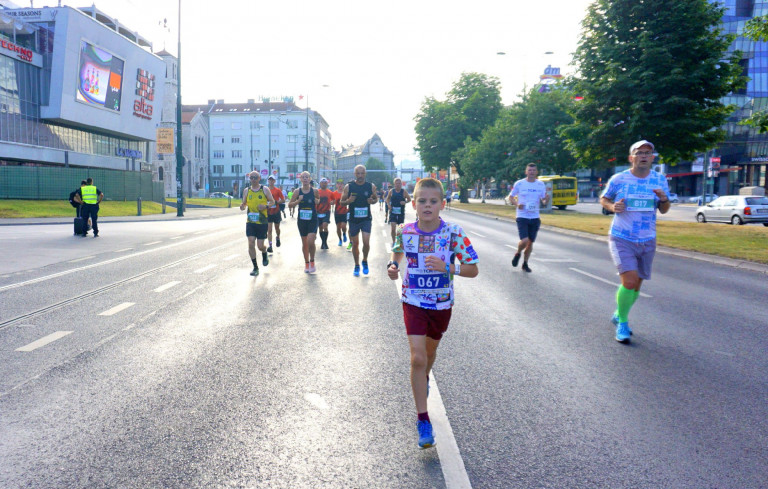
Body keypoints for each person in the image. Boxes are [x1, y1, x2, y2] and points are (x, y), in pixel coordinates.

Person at [387, 177, 479, 449]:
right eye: (422, 201)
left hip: (441, 304)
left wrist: (448, 267)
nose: (427, 206)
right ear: (413, 204)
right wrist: (392, 266)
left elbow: (473, 269)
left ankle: (425, 376)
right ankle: (423, 419)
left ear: (442, 204)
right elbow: (397, 253)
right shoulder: (405, 230)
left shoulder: (453, 233)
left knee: (428, 353)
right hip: (413, 299)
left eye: (433, 201)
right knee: (417, 358)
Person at [600, 140, 671, 343]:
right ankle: (623, 322)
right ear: (631, 158)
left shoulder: (659, 180)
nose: (644, 156)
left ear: (653, 157)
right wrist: (613, 207)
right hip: (622, 237)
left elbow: (664, 209)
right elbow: (604, 199)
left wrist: (664, 199)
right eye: (639, 152)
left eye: (648, 153)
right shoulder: (619, 179)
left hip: (647, 239)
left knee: (637, 286)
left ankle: (618, 312)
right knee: (629, 281)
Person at [509, 163, 549, 273]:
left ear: (536, 172)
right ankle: (518, 253)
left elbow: (544, 201)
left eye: (533, 170)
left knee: (530, 242)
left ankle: (525, 263)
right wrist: (517, 204)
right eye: (529, 170)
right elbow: (511, 197)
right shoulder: (520, 183)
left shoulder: (540, 184)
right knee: (525, 240)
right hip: (522, 215)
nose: (531, 172)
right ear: (526, 172)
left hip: (535, 216)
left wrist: (546, 199)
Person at [340, 165, 378, 276]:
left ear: (365, 174)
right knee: (355, 244)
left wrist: (372, 201)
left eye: (362, 173)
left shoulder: (371, 186)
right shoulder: (349, 187)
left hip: (366, 219)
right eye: (358, 173)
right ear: (354, 174)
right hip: (354, 220)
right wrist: (349, 201)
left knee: (366, 243)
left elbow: (376, 199)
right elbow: (342, 202)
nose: (360, 175)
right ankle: (356, 265)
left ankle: (365, 260)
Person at [240, 171, 275, 277]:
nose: (253, 179)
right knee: (251, 242)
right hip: (250, 222)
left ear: (259, 178)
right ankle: (255, 267)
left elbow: (272, 201)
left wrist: (265, 206)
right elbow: (244, 203)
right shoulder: (246, 190)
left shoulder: (264, 189)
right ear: (249, 179)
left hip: (262, 221)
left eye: (255, 177)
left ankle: (264, 253)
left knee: (260, 246)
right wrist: (243, 206)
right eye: (251, 178)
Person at [288, 171, 319, 273]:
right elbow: (290, 205)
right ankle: (306, 264)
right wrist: (297, 201)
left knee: (311, 240)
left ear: (310, 179)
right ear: (300, 179)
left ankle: (312, 261)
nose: (305, 179)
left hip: (312, 219)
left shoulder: (314, 191)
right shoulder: (297, 191)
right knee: (305, 243)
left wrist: (316, 200)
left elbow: (318, 201)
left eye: (307, 177)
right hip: (302, 220)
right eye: (303, 177)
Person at [385, 178, 411, 244]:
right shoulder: (391, 191)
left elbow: (409, 199)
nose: (398, 185)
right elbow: (387, 199)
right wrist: (388, 205)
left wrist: (405, 202)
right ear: (394, 184)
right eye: (396, 183)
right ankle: (394, 241)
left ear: (401, 184)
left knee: (400, 229)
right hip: (393, 212)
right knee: (393, 228)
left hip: (401, 212)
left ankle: (399, 242)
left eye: (399, 183)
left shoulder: (403, 191)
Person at [266, 175, 285, 252]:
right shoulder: (265, 190)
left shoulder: (277, 190)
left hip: (276, 211)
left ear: (274, 181)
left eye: (272, 180)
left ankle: (278, 237)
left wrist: (276, 202)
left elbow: (283, 200)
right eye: (269, 180)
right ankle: (270, 246)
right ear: (268, 181)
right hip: (268, 212)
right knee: (269, 230)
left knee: (277, 228)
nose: (271, 181)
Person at [316, 178, 335, 250]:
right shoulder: (317, 192)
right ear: (320, 184)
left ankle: (325, 242)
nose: (324, 184)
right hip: (318, 211)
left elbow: (334, 200)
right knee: (320, 227)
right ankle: (323, 242)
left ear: (327, 184)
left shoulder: (330, 192)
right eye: (322, 182)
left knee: (325, 226)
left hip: (326, 211)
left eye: (325, 183)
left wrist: (332, 202)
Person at [332, 181, 349, 247]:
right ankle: (340, 240)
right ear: (336, 185)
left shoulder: (345, 193)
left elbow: (349, 201)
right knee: (338, 227)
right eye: (338, 184)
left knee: (343, 226)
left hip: (344, 212)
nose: (340, 185)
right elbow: (331, 201)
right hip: (337, 212)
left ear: (343, 185)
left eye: (341, 184)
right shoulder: (334, 193)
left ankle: (344, 233)